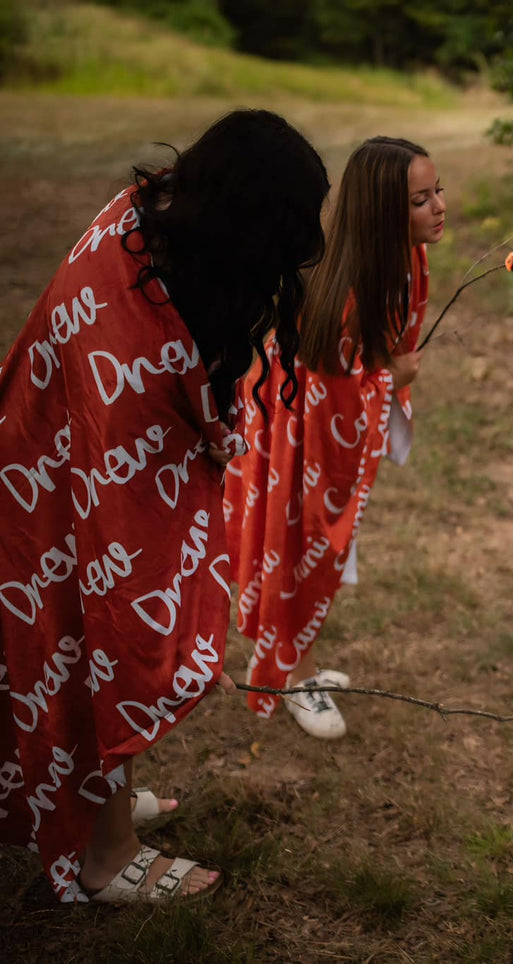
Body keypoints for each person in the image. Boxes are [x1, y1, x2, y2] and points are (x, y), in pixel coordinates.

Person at [0, 109, 329, 902]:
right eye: (295, 224)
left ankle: (94, 797)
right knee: (101, 635)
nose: (308, 245)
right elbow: (124, 559)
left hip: (54, 456)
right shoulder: (127, 334)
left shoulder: (150, 219)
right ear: (248, 221)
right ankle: (107, 855)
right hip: (52, 485)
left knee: (99, 635)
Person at [224, 136, 445, 739]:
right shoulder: (346, 292)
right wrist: (391, 376)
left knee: (329, 554)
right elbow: (335, 388)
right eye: (421, 199)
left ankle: (301, 660)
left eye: (437, 192)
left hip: (323, 433)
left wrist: (385, 370)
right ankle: (292, 674)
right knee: (306, 546)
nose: (439, 207)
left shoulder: (401, 260)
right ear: (382, 214)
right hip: (299, 440)